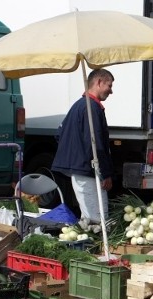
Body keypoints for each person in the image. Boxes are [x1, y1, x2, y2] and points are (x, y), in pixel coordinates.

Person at [51, 69, 115, 223]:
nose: (111, 91)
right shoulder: (91, 107)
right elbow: (95, 144)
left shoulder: (79, 105)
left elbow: (60, 134)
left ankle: (90, 242)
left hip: (82, 168)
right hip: (87, 170)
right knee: (97, 218)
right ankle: (95, 245)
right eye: (109, 85)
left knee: (92, 215)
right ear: (99, 82)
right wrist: (105, 174)